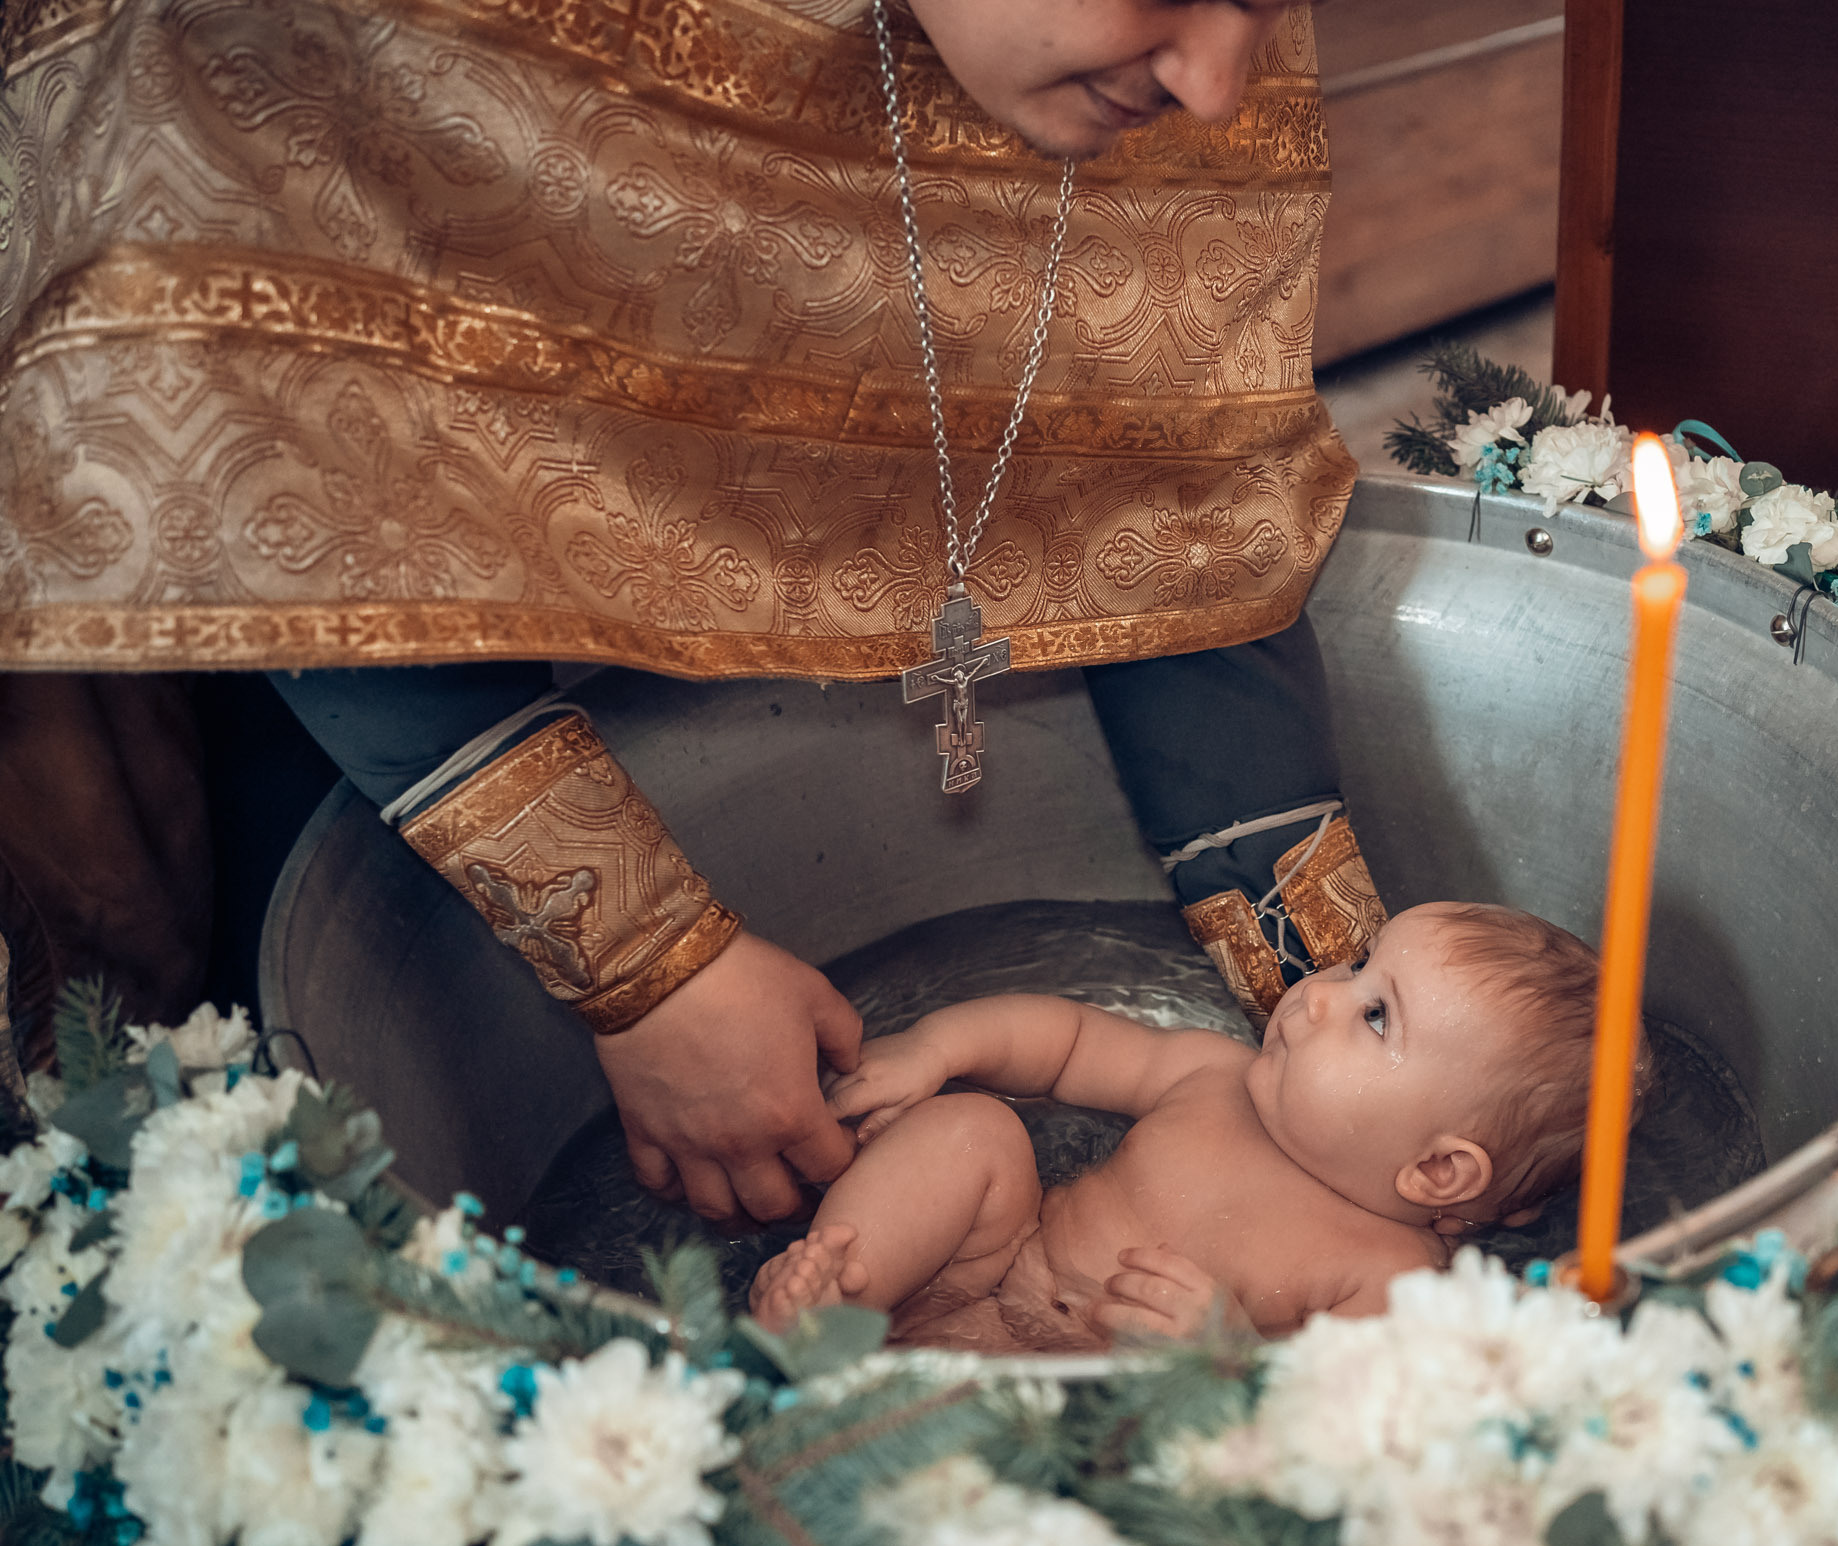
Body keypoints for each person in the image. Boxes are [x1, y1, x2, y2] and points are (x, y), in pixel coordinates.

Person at [0, 0, 1389, 1224]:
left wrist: (1363, 1029)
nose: (1218, 84)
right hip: (361, 683)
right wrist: (652, 969)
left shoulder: (1170, 79)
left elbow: (1178, 463)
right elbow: (271, 433)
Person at [749, 903, 1662, 1348]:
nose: (1318, 994)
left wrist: (1229, 1351)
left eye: (1376, 1015)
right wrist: (937, 1048)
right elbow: (1067, 1041)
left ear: (1437, 1171)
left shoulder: (1393, 1278)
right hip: (975, 1279)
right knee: (976, 1132)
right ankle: (834, 1298)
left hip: (1088, 1418)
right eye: (1357, 963)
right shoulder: (1217, 1077)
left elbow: (1330, 1424)